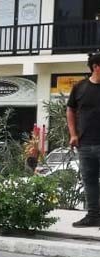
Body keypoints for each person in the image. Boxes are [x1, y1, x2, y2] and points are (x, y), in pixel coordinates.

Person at [67, 52, 100, 228]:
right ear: (96, 66)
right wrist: (73, 134)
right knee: (89, 181)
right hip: (85, 144)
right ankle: (93, 216)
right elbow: (70, 110)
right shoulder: (80, 88)